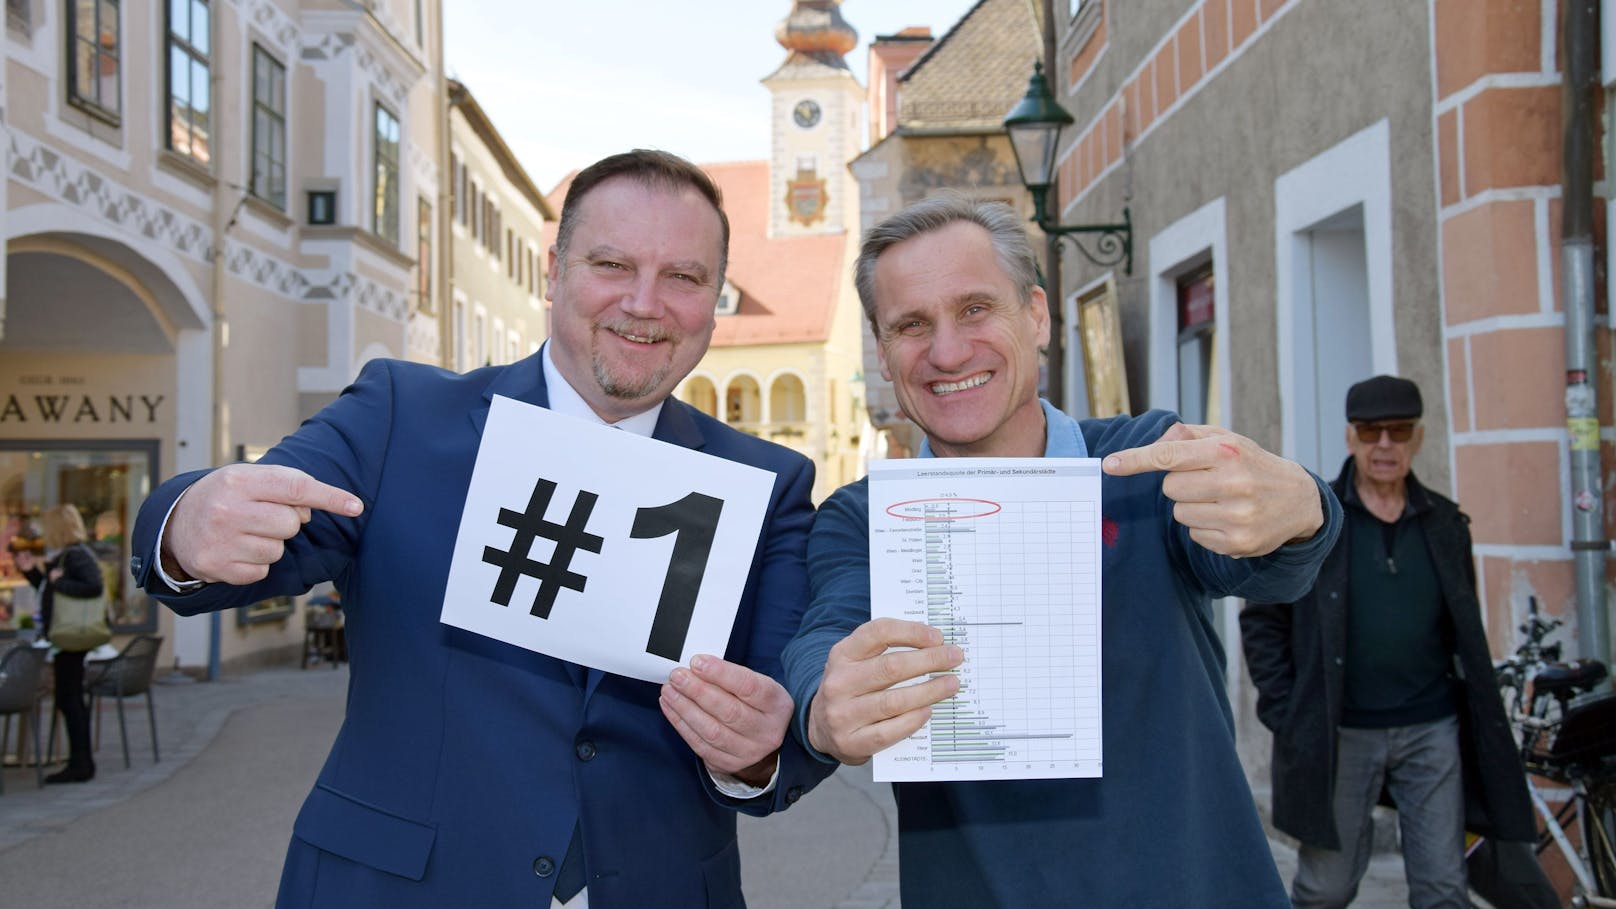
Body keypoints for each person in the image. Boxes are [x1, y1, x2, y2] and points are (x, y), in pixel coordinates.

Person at [131, 150, 832, 907]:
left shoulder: (766, 485)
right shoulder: (400, 415)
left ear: (713, 301)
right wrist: (186, 523)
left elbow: (786, 726)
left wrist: (756, 753)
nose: (644, 302)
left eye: (684, 278)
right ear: (553, 271)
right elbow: (255, 518)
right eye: (611, 264)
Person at [779, 195, 1343, 907]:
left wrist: (1304, 509)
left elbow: (1266, 563)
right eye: (912, 324)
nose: (948, 350)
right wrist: (821, 705)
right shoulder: (862, 519)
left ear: (1037, 316)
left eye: (976, 308)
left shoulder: (1142, 463)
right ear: (884, 354)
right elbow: (828, 631)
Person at [1240, 375, 1544, 909]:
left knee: (1444, 889)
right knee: (1325, 889)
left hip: (1431, 728)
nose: (1385, 445)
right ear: (1350, 438)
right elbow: (1263, 618)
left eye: (1398, 431)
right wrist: (1289, 712)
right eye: (1370, 431)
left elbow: (1462, 629)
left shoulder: (1446, 522)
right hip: (1340, 731)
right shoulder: (1313, 519)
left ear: (1417, 439)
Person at [16, 504, 104, 783]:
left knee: (70, 698)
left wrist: (61, 581)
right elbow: (51, 589)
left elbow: (94, 587)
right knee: (69, 698)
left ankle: (81, 763)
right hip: (66, 635)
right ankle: (80, 760)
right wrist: (33, 574)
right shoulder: (68, 556)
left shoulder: (75, 555)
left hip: (72, 636)